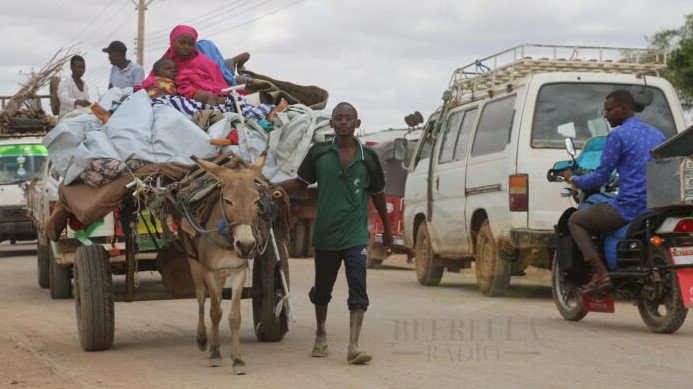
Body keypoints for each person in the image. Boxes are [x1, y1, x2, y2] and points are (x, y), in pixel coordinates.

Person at [278, 102, 393, 365]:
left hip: (355, 235)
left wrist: (386, 228)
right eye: (338, 118)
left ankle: (353, 345)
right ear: (331, 124)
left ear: (357, 123)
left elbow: (377, 193)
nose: (343, 122)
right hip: (325, 234)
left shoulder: (369, 158)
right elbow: (301, 183)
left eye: (348, 118)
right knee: (322, 290)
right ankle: (320, 334)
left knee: (358, 286)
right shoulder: (319, 154)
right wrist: (271, 187)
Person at [561, 90, 666, 293]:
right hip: (656, 206)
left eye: (609, 110)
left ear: (624, 109)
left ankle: (601, 274)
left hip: (629, 207)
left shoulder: (617, 135)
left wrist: (575, 179)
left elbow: (600, 176)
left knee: (576, 220)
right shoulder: (657, 133)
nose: (605, 115)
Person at [157, 25, 230, 104]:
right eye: (182, 42)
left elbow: (221, 88)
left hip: (207, 99)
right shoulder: (164, 64)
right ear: (172, 43)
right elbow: (151, 81)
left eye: (191, 44)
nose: (186, 47)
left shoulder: (205, 62)